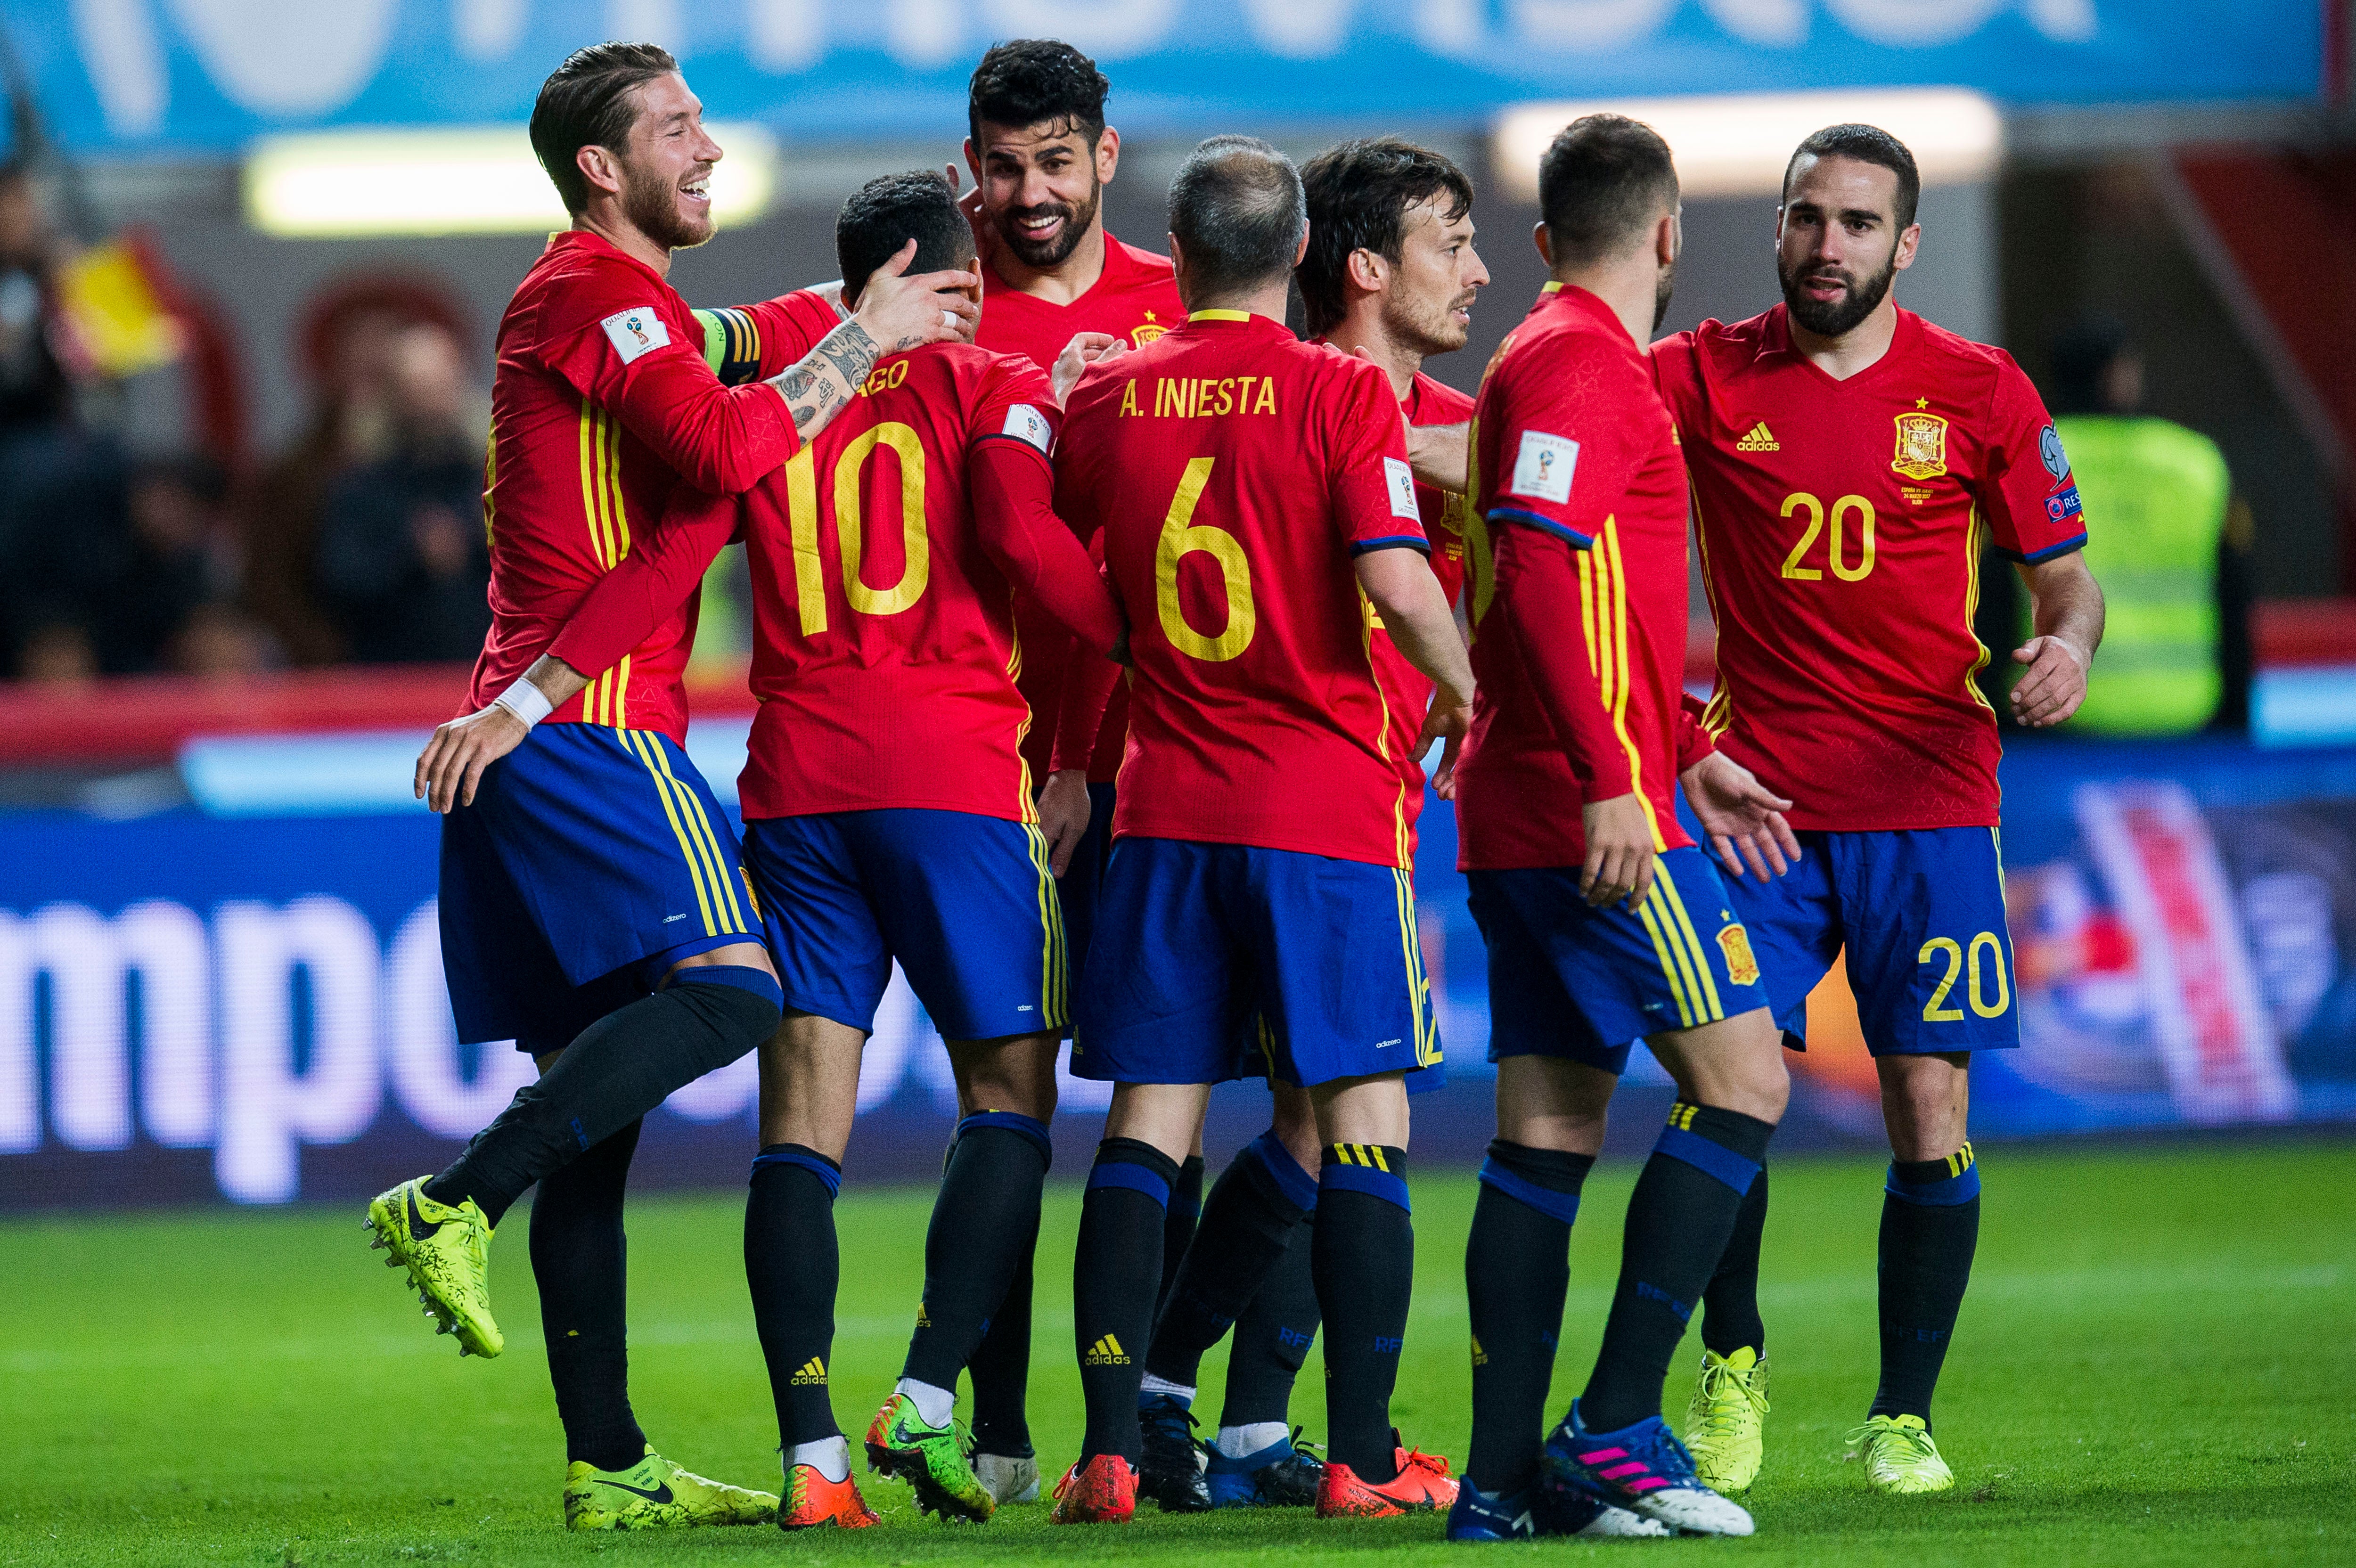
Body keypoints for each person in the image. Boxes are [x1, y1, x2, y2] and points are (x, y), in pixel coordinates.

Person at [378, 39, 976, 1533]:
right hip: (591, 734)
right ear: (601, 164)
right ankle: (458, 1195)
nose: (707, 146)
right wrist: (870, 339)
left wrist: (860, 315)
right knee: (738, 988)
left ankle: (609, 1457)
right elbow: (727, 438)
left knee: (600, 1105)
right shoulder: (589, 291)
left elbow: (736, 366)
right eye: (677, 126)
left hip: (539, 723)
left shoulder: (623, 312)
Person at [534, 169, 1125, 1530]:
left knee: (799, 1136)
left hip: (795, 787)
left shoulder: (773, 405)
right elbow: (1030, 542)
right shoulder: (985, 386)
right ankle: (923, 1400)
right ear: (958, 271)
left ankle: (812, 1462)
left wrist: (529, 697)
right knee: (1010, 1106)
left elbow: (669, 545)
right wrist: (1141, 645)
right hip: (958, 775)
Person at [1651, 123, 2105, 1496]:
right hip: (1757, 801)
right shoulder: (1699, 372)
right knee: (1722, 1082)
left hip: (1928, 800)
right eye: (1805, 217)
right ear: (1778, 228)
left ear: (1904, 243)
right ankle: (1730, 1356)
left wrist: (2068, 643)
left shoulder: (1976, 390)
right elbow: (1535, 431)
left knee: (1926, 1100)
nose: (1825, 243)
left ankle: (1901, 1413)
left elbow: (2064, 574)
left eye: (1856, 222)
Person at [1047, 135, 1472, 1526]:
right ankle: (1356, 1449)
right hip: (1318, 805)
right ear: (1298, 255)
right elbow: (1399, 583)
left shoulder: (1109, 393)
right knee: (1361, 1111)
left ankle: (1112, 1444)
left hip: (1164, 804)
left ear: (1175, 256)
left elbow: (1068, 551)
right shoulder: (1338, 388)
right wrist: (1466, 688)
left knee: (1147, 1120)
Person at [1441, 113, 1794, 1544]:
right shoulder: (1591, 365)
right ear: (1666, 234)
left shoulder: (1527, 359)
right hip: (1586, 817)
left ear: (1542, 240)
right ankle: (1616, 1423)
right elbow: (1535, 571)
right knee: (1748, 1079)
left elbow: (1594, 606)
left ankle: (1496, 1481)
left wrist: (1682, 745)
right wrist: (1615, 778)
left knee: (1546, 1129)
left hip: (1530, 807)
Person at [2032, 316, 2245, 733]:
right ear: (2117, 375)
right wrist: (2237, 733)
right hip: (2186, 723)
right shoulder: (2196, 466)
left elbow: (1988, 604)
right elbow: (2235, 605)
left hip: (2058, 724)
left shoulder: (2027, 461)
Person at [314, 322, 493, 662]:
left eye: (437, 389)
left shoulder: (495, 485)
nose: (428, 406)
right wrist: (410, 553)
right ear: (393, 396)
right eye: (416, 391)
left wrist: (474, 541)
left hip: (490, 679)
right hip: (390, 684)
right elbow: (339, 584)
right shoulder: (360, 489)